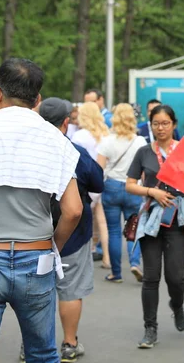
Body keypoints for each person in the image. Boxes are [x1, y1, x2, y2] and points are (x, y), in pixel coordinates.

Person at [0, 58, 82, 362]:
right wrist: (53, 247)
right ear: (37, 99)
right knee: (43, 354)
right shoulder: (56, 140)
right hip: (35, 256)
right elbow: (73, 210)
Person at [39, 97, 104, 362]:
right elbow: (98, 182)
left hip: (35, 229)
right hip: (74, 232)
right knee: (71, 289)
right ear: (66, 122)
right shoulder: (74, 151)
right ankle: (69, 343)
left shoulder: (29, 149)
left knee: (36, 291)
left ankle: (32, 344)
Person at [126, 105, 184, 348]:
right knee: (150, 278)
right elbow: (130, 184)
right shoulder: (144, 152)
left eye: (165, 123)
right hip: (151, 222)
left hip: (177, 221)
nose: (160, 128)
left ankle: (177, 305)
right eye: (156, 124)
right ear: (150, 125)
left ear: (173, 124)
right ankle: (150, 328)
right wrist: (152, 191)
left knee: (176, 278)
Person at [97, 103, 147, 283]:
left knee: (114, 231)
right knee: (133, 227)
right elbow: (144, 171)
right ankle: (135, 263)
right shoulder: (140, 142)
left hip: (111, 187)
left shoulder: (107, 141)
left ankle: (116, 273)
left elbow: (99, 169)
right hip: (133, 187)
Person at [72, 102, 111, 271]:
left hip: (85, 183)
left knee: (85, 219)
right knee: (101, 220)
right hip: (103, 179)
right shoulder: (105, 133)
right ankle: (107, 256)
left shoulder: (79, 136)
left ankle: (87, 252)